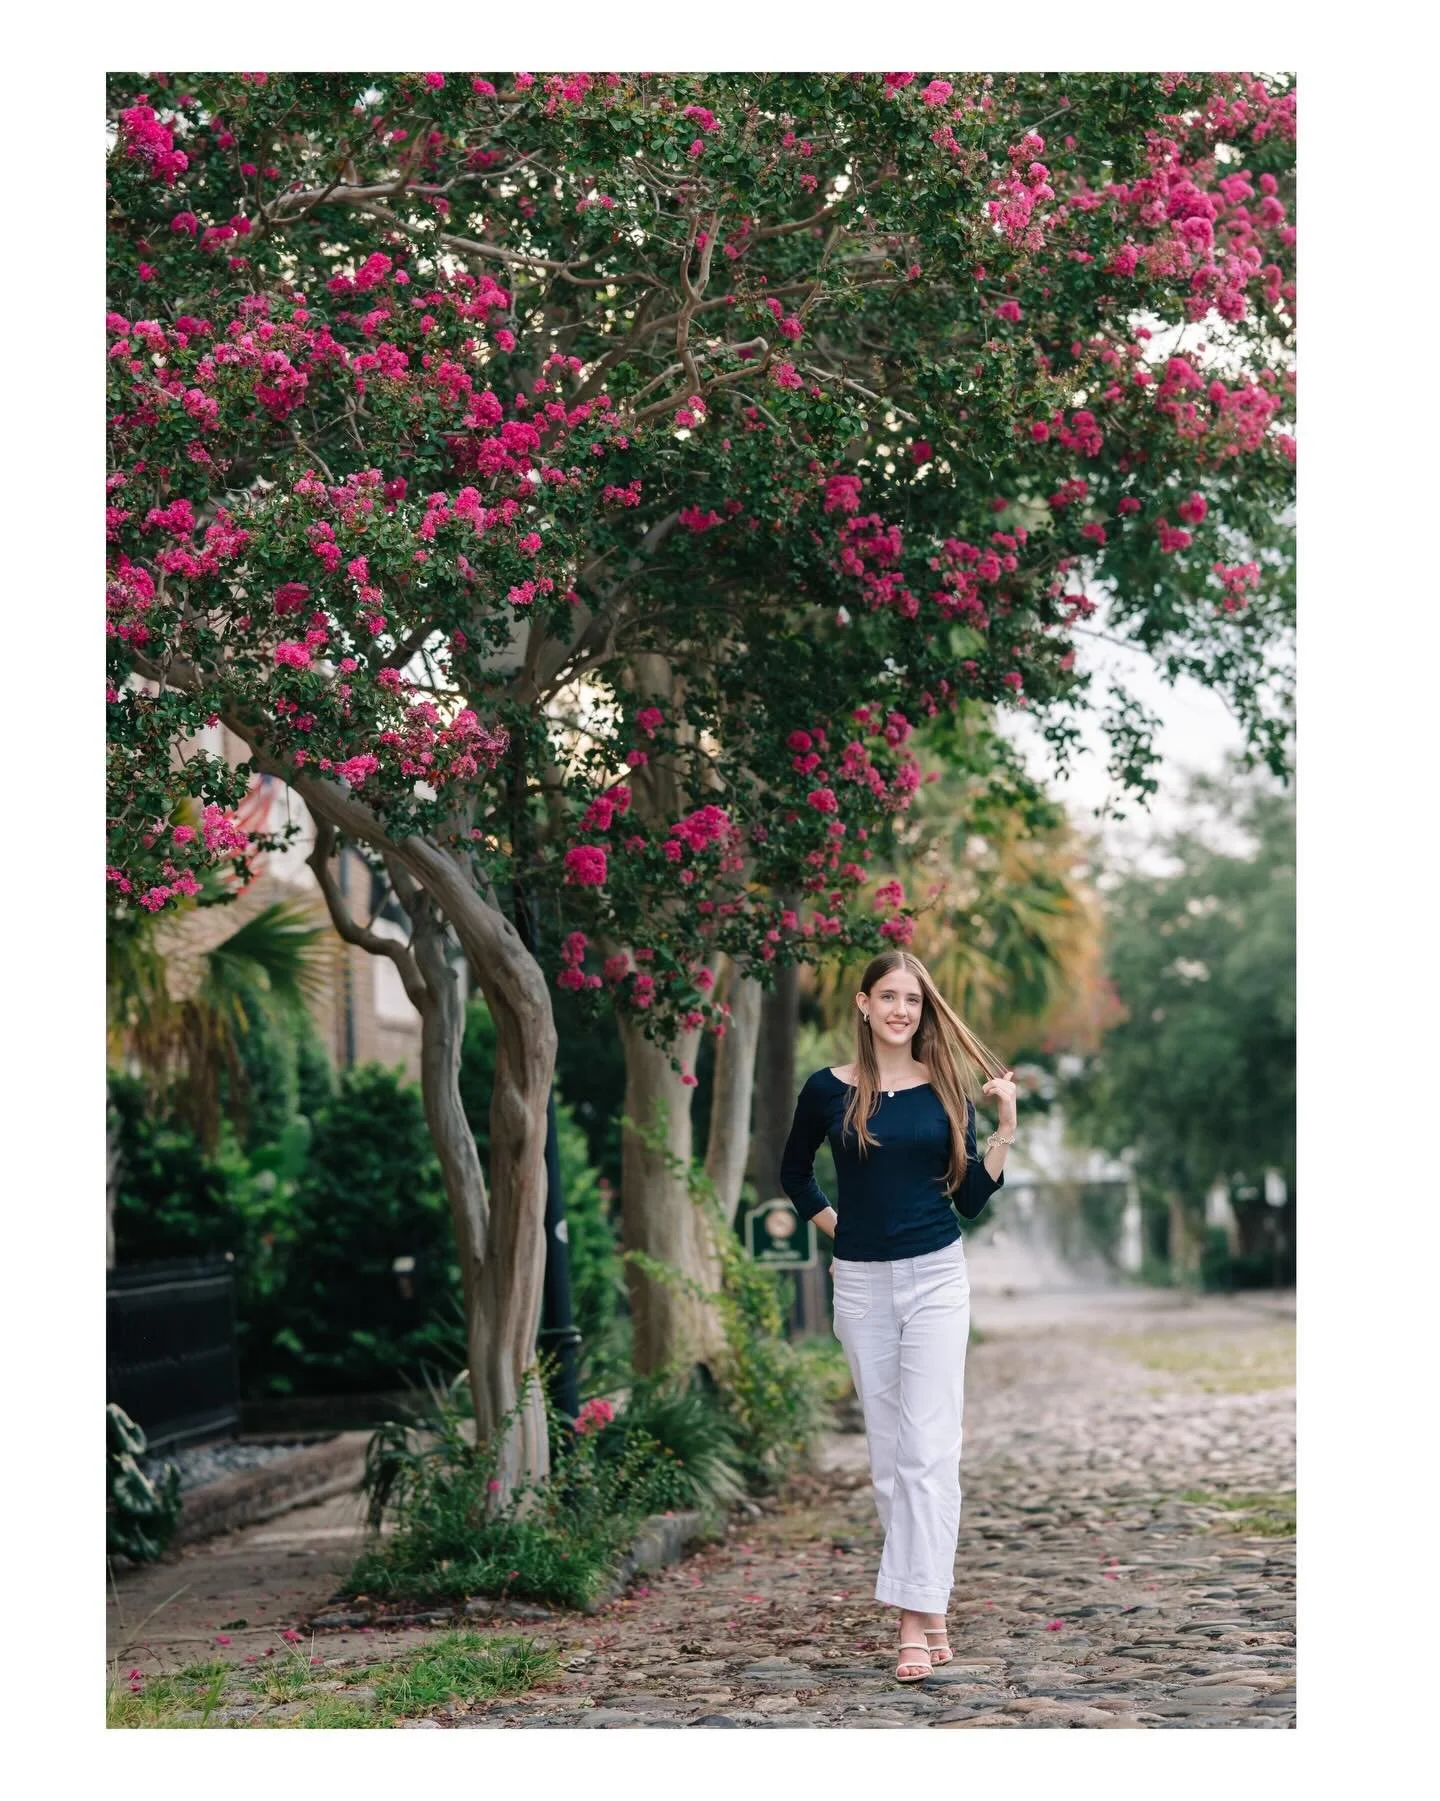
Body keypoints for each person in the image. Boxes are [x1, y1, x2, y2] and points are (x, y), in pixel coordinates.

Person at [779, 949, 1017, 1683]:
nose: (901, 1010)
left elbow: (970, 1197)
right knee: (889, 1459)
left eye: (912, 999)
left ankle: (913, 1620)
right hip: (860, 1284)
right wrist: (839, 1232)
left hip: (937, 1276)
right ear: (863, 1003)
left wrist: (1005, 1126)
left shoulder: (945, 1088)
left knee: (929, 1451)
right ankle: (930, 1605)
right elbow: (794, 1172)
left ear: (922, 1009)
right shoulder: (827, 1090)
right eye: (888, 996)